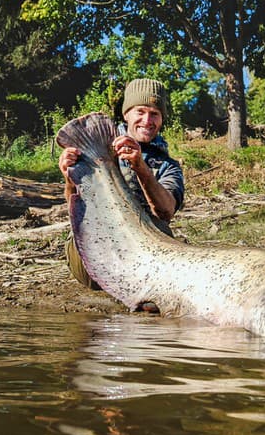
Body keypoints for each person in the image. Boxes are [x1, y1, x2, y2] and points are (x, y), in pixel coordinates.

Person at [59, 78, 185, 289]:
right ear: (126, 114)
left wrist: (140, 167)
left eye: (155, 114)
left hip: (146, 251)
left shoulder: (169, 165)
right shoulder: (96, 149)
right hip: (96, 249)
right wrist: (69, 177)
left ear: (162, 119)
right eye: (140, 112)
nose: (147, 120)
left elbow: (166, 212)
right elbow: (74, 201)